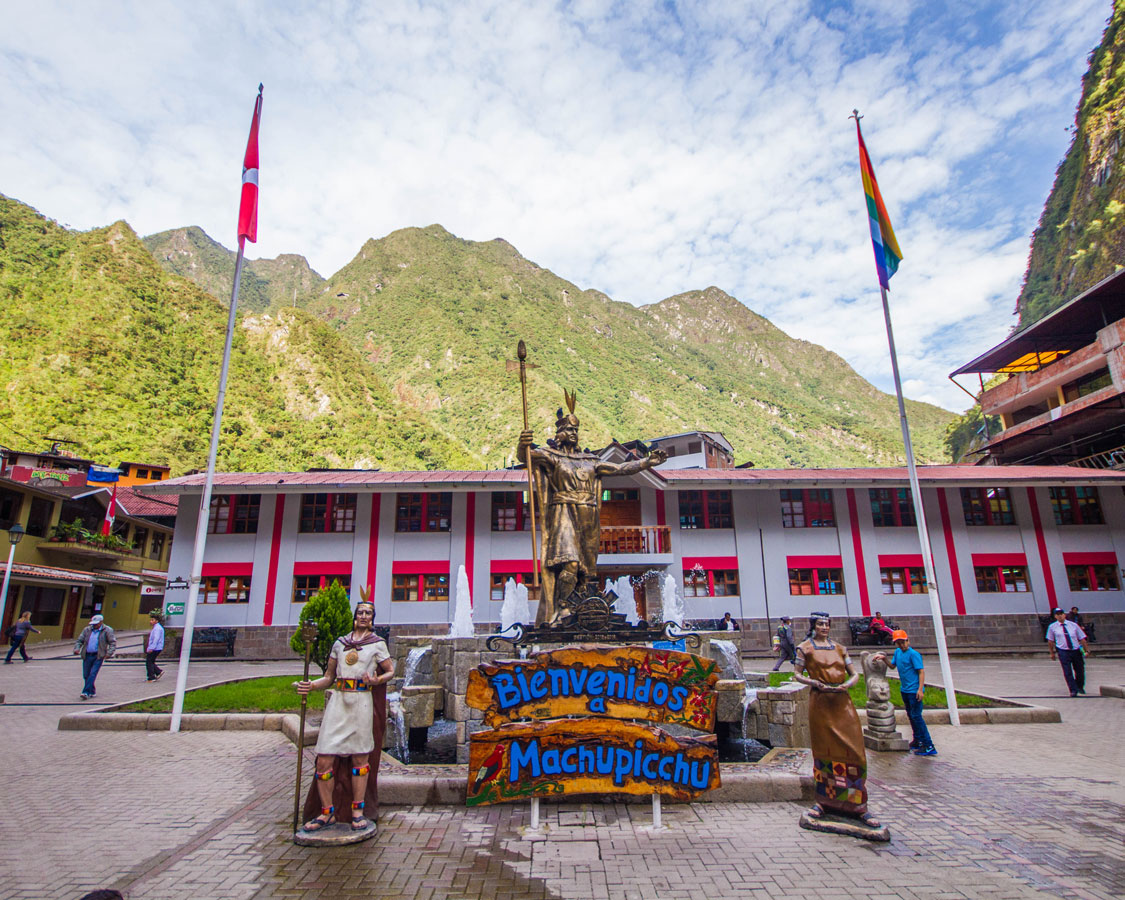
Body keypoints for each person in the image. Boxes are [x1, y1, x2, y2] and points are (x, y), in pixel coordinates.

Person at [518, 391, 666, 624]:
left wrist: (647, 462)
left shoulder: (590, 461)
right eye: (569, 430)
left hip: (588, 514)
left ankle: (586, 609)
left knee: (585, 569)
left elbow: (620, 469)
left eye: (576, 430)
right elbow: (527, 457)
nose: (573, 434)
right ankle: (562, 608)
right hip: (564, 511)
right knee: (570, 562)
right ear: (559, 433)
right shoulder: (552, 456)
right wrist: (522, 444)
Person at [296, 598, 395, 832]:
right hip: (339, 701)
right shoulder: (340, 644)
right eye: (360, 612)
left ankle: (357, 812)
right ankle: (327, 812)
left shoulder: (377, 644)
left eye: (368, 613)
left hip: (361, 701)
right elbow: (329, 677)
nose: (363, 616)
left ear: (372, 619)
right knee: (324, 759)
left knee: (360, 759)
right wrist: (309, 686)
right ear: (355, 615)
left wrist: (376, 680)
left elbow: (390, 670)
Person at [793, 613, 880, 827]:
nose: (824, 627)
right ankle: (824, 802)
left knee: (855, 751)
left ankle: (858, 803)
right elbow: (797, 674)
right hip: (820, 702)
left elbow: (854, 674)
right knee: (825, 752)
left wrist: (848, 684)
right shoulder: (804, 648)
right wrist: (813, 682)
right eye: (820, 624)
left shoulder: (840, 649)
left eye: (827, 624)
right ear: (813, 626)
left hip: (842, 701)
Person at [874, 630, 935, 756]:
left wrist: (920, 689)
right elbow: (892, 666)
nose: (902, 645)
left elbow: (921, 672)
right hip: (905, 690)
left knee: (917, 716)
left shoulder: (914, 654)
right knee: (911, 715)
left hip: (914, 691)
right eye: (899, 643)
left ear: (908, 640)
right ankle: (917, 740)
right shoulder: (898, 653)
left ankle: (928, 744)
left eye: (903, 642)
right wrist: (884, 659)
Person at [1046, 606, 1088, 697]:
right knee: (1067, 671)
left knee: (1080, 670)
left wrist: (1086, 650)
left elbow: (1082, 638)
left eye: (1061, 614)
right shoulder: (1052, 627)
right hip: (1063, 651)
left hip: (1075, 650)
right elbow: (1050, 641)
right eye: (1057, 615)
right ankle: (1073, 689)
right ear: (1055, 616)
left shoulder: (1073, 625)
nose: (1060, 616)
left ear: (1064, 615)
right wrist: (1052, 653)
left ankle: (1079, 686)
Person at [73, 614, 116, 699]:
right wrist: (77, 648)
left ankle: (85, 692)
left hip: (98, 656)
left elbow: (112, 643)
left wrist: (109, 653)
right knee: (86, 675)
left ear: (101, 622)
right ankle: (92, 691)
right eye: (93, 624)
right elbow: (80, 640)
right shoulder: (87, 630)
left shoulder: (107, 630)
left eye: (96, 624)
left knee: (92, 674)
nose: (94, 625)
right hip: (87, 655)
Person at [145, 612, 165, 682]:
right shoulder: (157, 627)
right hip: (157, 647)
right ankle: (158, 671)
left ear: (157, 621)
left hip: (155, 648)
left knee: (149, 662)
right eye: (151, 620)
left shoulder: (157, 629)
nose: (151, 621)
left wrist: (151, 648)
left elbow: (156, 638)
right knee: (151, 661)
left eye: (152, 620)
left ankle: (151, 677)